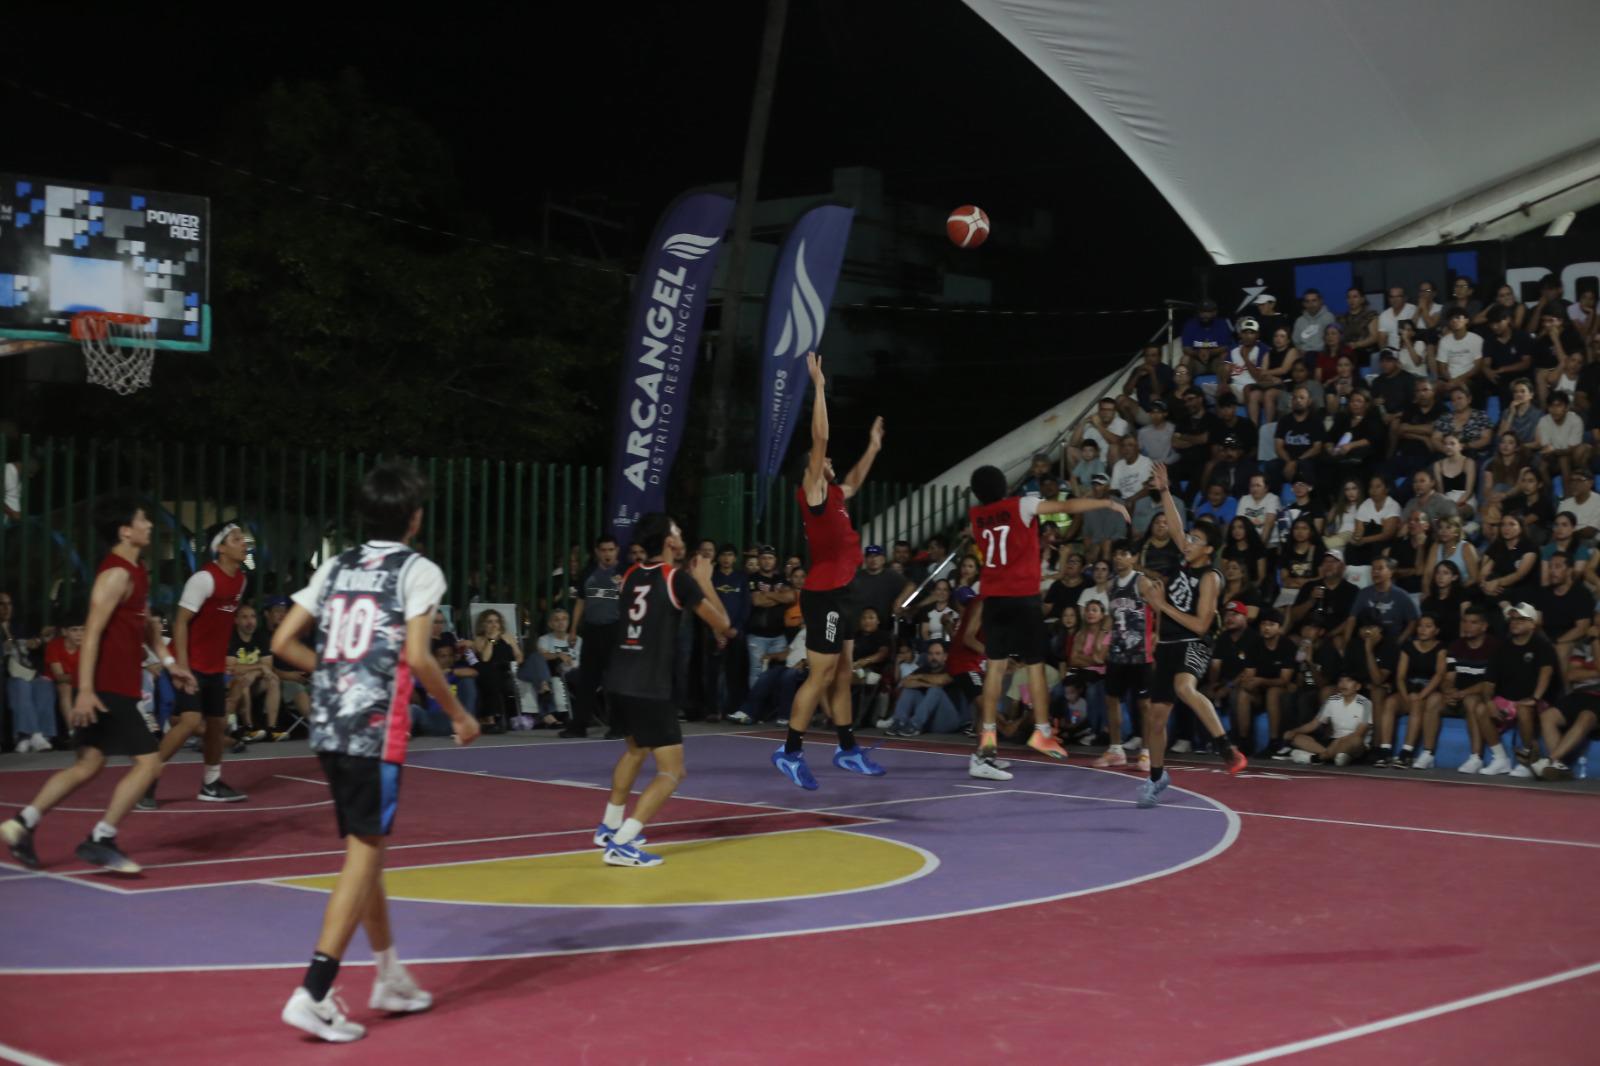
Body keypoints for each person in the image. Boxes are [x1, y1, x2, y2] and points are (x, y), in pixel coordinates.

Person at [269, 463, 478, 1042]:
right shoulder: (419, 571)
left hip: (329, 725)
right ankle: (313, 990)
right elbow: (417, 655)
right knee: (362, 853)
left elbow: (282, 642)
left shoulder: (336, 565)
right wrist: (457, 713)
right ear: (414, 517)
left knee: (369, 848)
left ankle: (387, 973)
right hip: (372, 728)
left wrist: (334, 672)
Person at [2, 498, 198, 874]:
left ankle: (21, 824)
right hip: (106, 686)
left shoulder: (138, 570)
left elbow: (146, 627)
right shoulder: (115, 575)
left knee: (88, 765)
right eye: (143, 519)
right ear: (125, 530)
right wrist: (87, 689)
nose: (150, 526)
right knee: (150, 764)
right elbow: (91, 632)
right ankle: (102, 838)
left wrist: (171, 664)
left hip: (114, 684)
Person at [965, 463, 1129, 778]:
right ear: (1003, 485)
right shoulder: (1021, 504)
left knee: (995, 670)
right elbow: (1066, 506)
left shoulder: (976, 517)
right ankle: (1041, 730)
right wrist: (1106, 502)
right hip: (1022, 598)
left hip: (994, 599)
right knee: (1035, 664)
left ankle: (984, 752)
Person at [772, 353, 888, 790]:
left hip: (846, 591)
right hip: (825, 595)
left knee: (843, 671)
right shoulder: (813, 490)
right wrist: (818, 385)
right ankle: (790, 750)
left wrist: (873, 447)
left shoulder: (836, 494)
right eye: (826, 461)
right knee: (820, 673)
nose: (832, 465)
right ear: (813, 468)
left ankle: (846, 748)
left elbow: (855, 479)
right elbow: (819, 436)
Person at [595, 513, 732, 865]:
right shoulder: (677, 580)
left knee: (636, 750)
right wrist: (704, 581)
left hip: (618, 680)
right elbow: (724, 625)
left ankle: (609, 826)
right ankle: (623, 843)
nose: (682, 533)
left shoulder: (629, 575)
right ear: (670, 543)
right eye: (677, 530)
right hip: (648, 686)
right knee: (672, 772)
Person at [1137, 462, 1247, 809]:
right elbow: (1176, 525)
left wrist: (1159, 605)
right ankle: (1157, 778)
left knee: (1185, 688)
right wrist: (1165, 490)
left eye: (1196, 541)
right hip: (1169, 641)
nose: (1188, 542)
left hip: (1196, 641)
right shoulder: (1186, 558)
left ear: (1208, 550)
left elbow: (1200, 625)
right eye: (1191, 539)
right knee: (1155, 718)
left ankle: (1225, 746)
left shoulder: (1211, 577)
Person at [141, 523, 252, 809]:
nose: (244, 542)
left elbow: (221, 623)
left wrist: (224, 658)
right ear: (221, 547)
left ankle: (211, 783)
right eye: (236, 539)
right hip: (189, 663)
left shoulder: (240, 580)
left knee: (216, 724)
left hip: (214, 666)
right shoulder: (204, 579)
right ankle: (144, 780)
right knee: (190, 721)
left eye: (243, 538)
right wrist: (183, 667)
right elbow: (180, 623)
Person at [1475, 602, 1560, 777]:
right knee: (1481, 708)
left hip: (1539, 701)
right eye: (1513, 619)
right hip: (1508, 699)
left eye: (1521, 619)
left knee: (1524, 708)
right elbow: (1489, 682)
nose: (1515, 622)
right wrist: (1489, 701)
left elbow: (1546, 674)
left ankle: (1528, 759)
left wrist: (1535, 698)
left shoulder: (1542, 645)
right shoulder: (1501, 647)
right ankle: (1500, 759)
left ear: (1532, 624)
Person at [561, 534, 622, 738]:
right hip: (592, 630)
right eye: (603, 550)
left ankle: (618, 725)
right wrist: (573, 629)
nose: (607, 554)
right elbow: (580, 601)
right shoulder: (588, 572)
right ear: (597, 552)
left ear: (617, 551)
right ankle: (579, 725)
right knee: (587, 679)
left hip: (614, 630)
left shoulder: (623, 573)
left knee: (614, 680)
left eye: (610, 550)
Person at [1100, 541, 1153, 771]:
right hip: (1117, 652)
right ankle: (1116, 750)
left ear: (1134, 558)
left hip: (1140, 653)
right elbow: (1112, 616)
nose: (1119, 558)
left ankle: (1146, 753)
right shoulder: (1111, 585)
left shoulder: (1142, 582)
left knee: (1145, 704)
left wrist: (1157, 639)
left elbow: (1159, 610)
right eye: (1116, 554)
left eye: (1124, 554)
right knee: (1111, 700)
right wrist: (1103, 640)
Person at [1374, 613, 1446, 768]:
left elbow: (1439, 675)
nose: (1422, 630)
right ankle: (1385, 751)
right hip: (1408, 690)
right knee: (1390, 702)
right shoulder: (1408, 647)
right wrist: (1405, 696)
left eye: (1428, 626)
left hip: (1428, 692)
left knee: (1417, 704)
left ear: (1436, 630)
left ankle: (1407, 753)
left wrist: (1421, 696)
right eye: (1420, 626)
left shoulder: (1441, 649)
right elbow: (1400, 676)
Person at [2, 592, 56, 753]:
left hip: (27, 672)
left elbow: (30, 646)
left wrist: (39, 640)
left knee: (44, 684)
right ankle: (27, 735)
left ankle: (42, 736)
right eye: (1, 604)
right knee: (21, 686)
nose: (6, 608)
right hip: (8, 676)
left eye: (9, 604)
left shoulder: (19, 626)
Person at [1282, 671, 1372, 766]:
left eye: (1349, 681)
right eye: (1341, 681)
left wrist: (1338, 742)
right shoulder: (1332, 700)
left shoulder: (1366, 704)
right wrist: (1294, 731)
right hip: (1333, 742)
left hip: (1352, 744)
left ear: (1358, 686)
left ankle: (1316, 758)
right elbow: (1314, 723)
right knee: (1296, 738)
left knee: (1356, 740)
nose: (1343, 684)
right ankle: (1333, 756)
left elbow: (1359, 733)